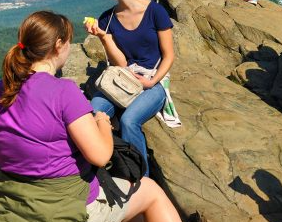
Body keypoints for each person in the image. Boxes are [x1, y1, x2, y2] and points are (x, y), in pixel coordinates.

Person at [0, 11, 181, 222]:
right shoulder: (63, 91)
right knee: (151, 192)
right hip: (65, 208)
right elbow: (100, 155)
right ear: (59, 45)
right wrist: (102, 122)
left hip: (12, 204)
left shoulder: (5, 89)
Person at [85, 0, 177, 176]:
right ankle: (99, 170)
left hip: (152, 81)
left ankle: (139, 177)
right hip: (122, 80)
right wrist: (103, 37)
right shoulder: (107, 18)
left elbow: (169, 55)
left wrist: (152, 82)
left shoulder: (155, 11)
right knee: (92, 113)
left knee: (129, 120)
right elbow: (122, 64)